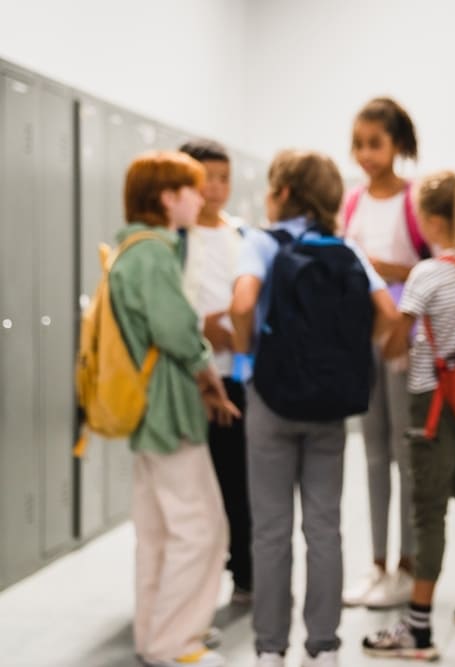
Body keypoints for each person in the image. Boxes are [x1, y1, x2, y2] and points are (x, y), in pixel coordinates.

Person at [230, 149, 398, 667]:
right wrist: (349, 358)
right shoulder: (347, 250)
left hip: (272, 401)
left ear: (282, 194)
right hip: (330, 407)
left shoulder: (260, 242)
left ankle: (270, 648)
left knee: (271, 528)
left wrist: (246, 362)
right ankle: (323, 645)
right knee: (325, 526)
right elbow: (389, 314)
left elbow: (240, 305)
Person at [361, 172, 455, 661]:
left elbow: (395, 342)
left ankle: (418, 629)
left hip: (432, 406)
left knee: (426, 511)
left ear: (434, 220)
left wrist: (386, 324)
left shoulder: (427, 274)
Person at [114, 151, 240, 667]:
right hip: (170, 410)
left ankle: (154, 637)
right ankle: (176, 642)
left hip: (147, 412)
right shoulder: (155, 255)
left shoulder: (131, 250)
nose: (202, 196)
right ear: (168, 198)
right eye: (192, 188)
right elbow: (177, 332)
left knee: (158, 532)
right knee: (201, 527)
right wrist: (209, 374)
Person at [342, 97, 428, 610]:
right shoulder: (351, 202)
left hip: (404, 341)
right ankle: (376, 565)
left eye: (374, 143)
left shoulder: (415, 202)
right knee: (372, 454)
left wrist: (384, 268)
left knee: (405, 456)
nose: (365, 154)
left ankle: (407, 566)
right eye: (358, 144)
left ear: (397, 144)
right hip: (361, 339)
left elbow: (434, 272)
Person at [178, 138, 253, 605]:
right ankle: (193, 586)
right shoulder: (176, 238)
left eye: (224, 178)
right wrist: (203, 328)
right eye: (206, 179)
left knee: (238, 482)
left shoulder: (240, 234)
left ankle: (245, 572)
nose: (216, 189)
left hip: (237, 376)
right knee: (193, 488)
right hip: (189, 377)